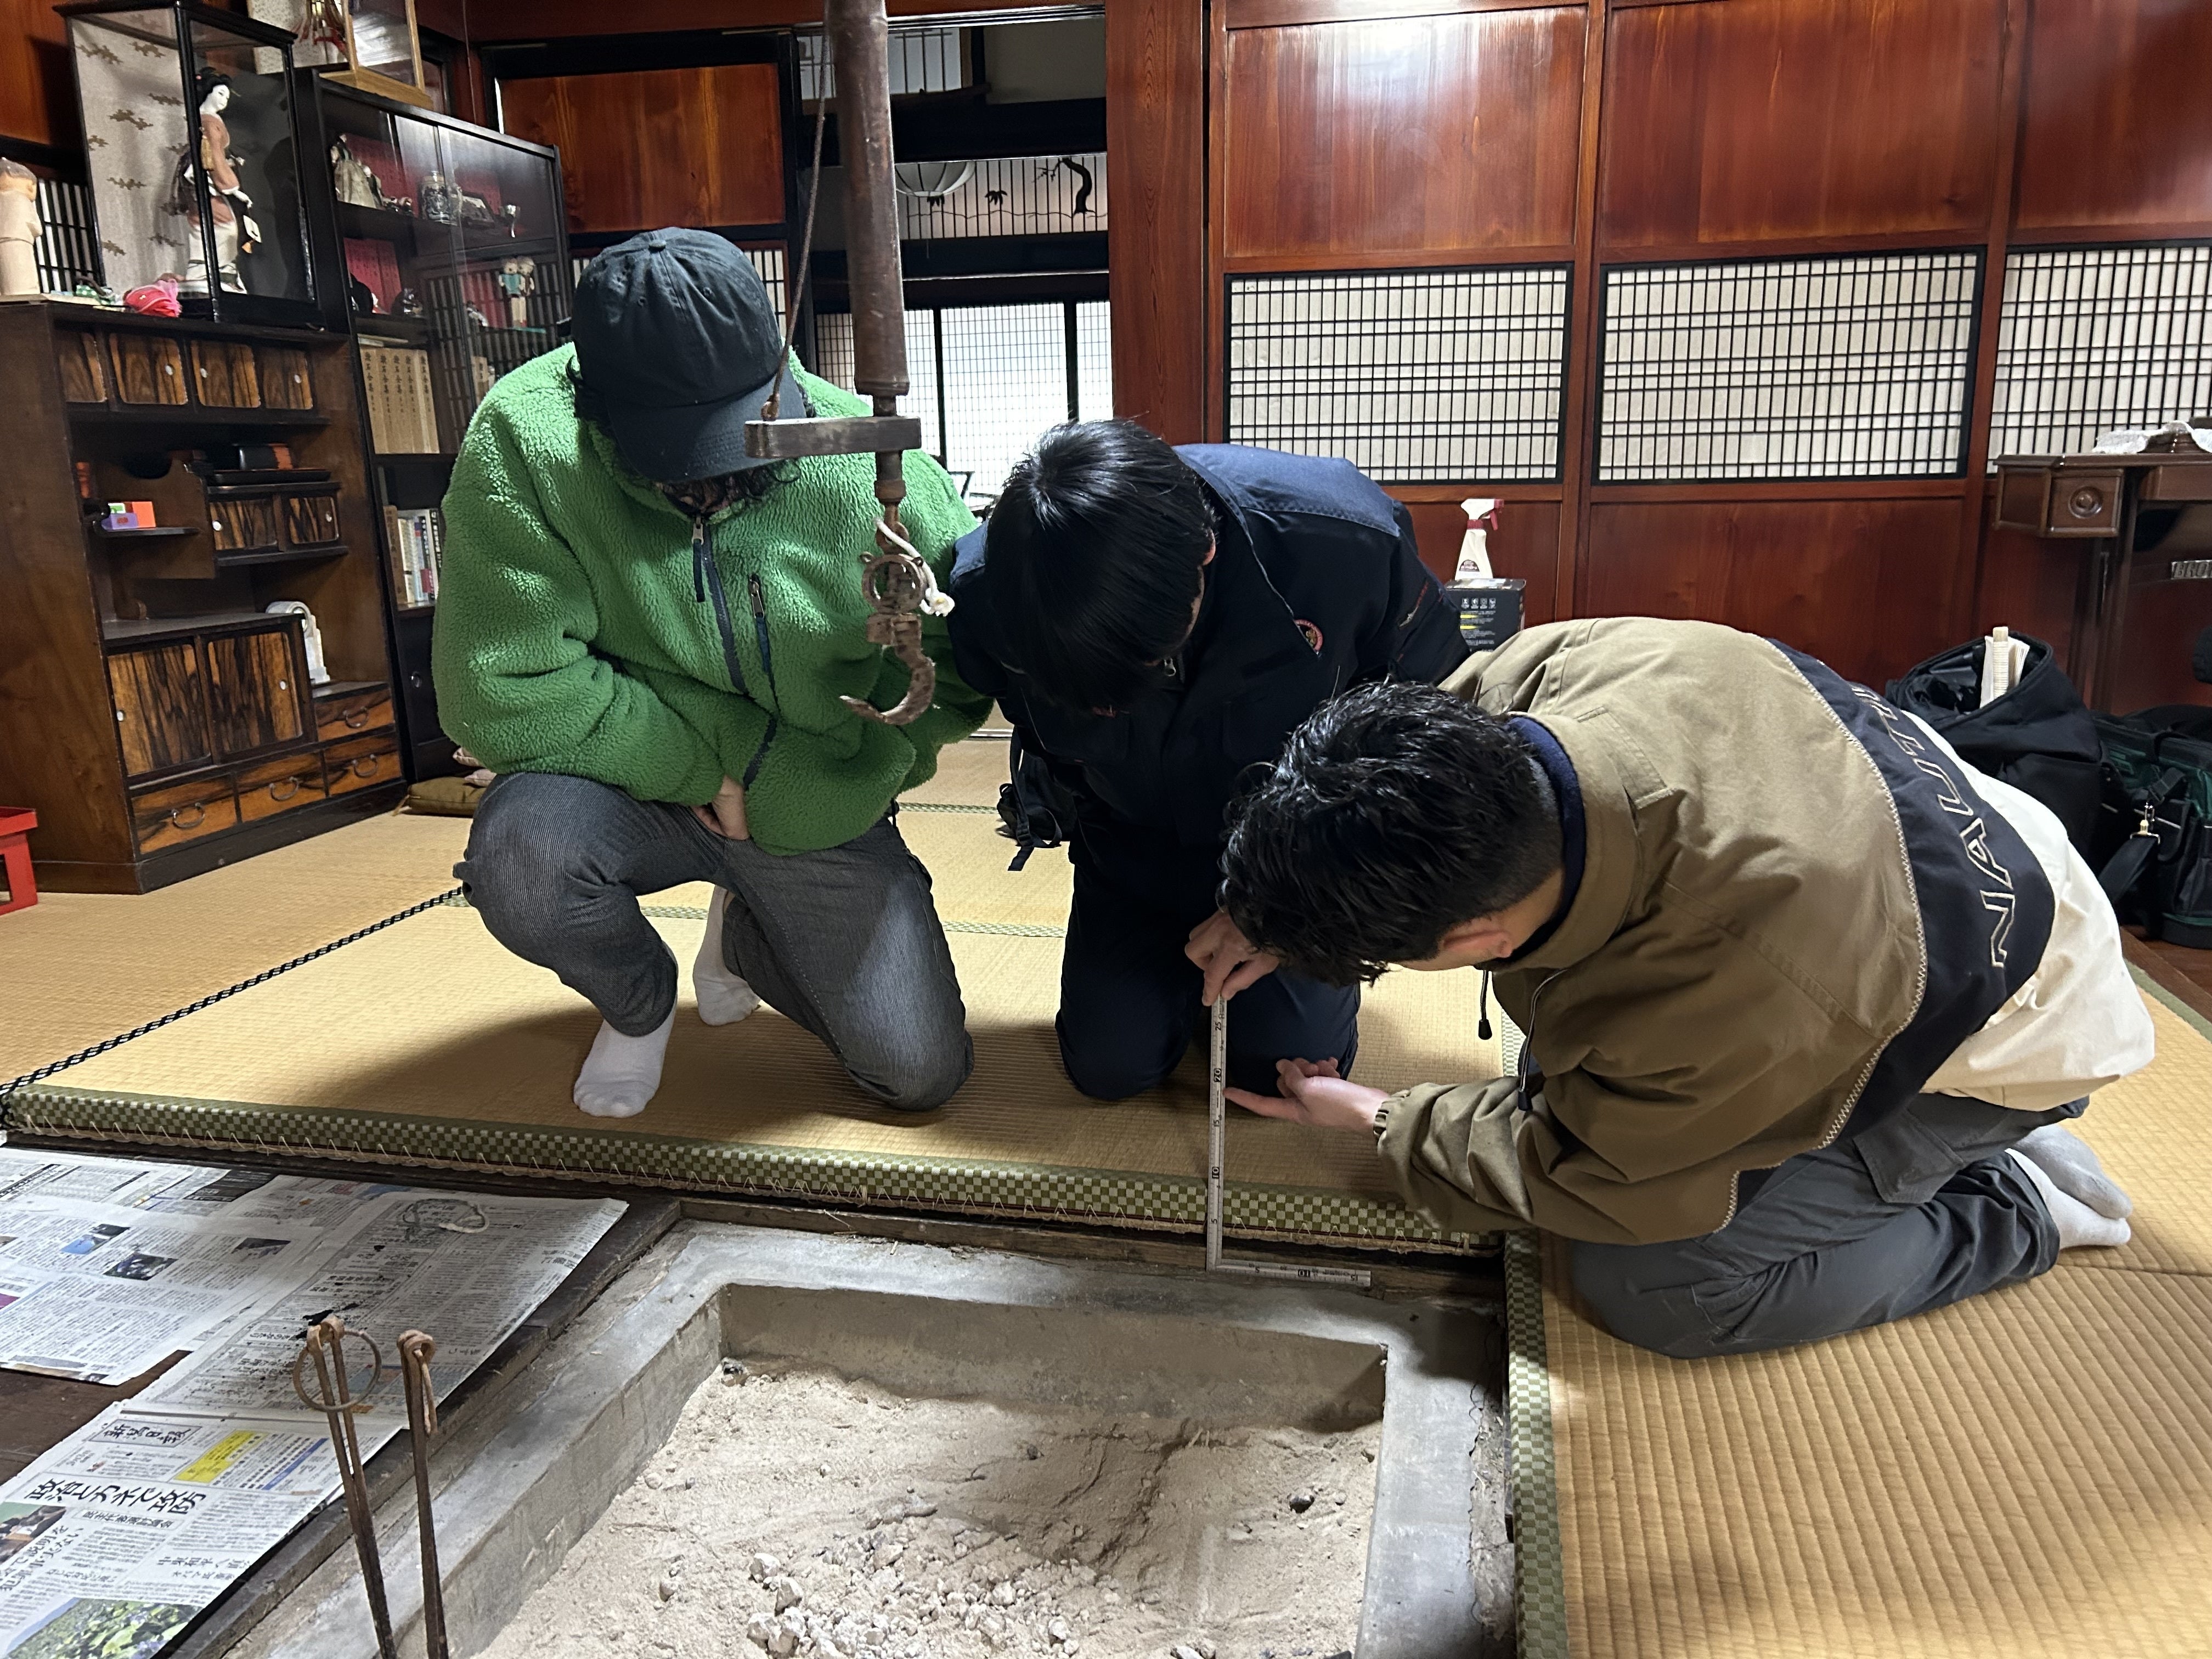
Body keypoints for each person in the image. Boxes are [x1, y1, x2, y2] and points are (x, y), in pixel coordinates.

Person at [1217, 618, 2155, 1357]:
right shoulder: (1538, 678)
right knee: (1568, 1062)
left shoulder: (1732, 990)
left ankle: (2014, 1204)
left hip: (2013, 1018)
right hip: (1951, 854)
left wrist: (1382, 1116)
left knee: (1659, 1285)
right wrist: (1276, 901)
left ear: (1472, 940)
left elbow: (1594, 1173)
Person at [434, 229, 990, 1120]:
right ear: (593, 404)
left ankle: (746, 939)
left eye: (735, 440)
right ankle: (637, 1001)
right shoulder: (525, 435)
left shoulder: (869, 465)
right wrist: (715, 768)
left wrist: (815, 779)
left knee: (917, 1072)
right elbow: (497, 686)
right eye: (677, 454)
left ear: (778, 373)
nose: (711, 480)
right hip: (620, 778)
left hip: (814, 787)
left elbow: (954, 677)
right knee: (521, 860)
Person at [944, 421, 1466, 1101]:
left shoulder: (1344, 543)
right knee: (1110, 1069)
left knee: (1279, 1075)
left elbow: (1427, 740)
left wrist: (1301, 901)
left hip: (1298, 851)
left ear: (1206, 553)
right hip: (1128, 842)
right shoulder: (987, 590)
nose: (1114, 704)